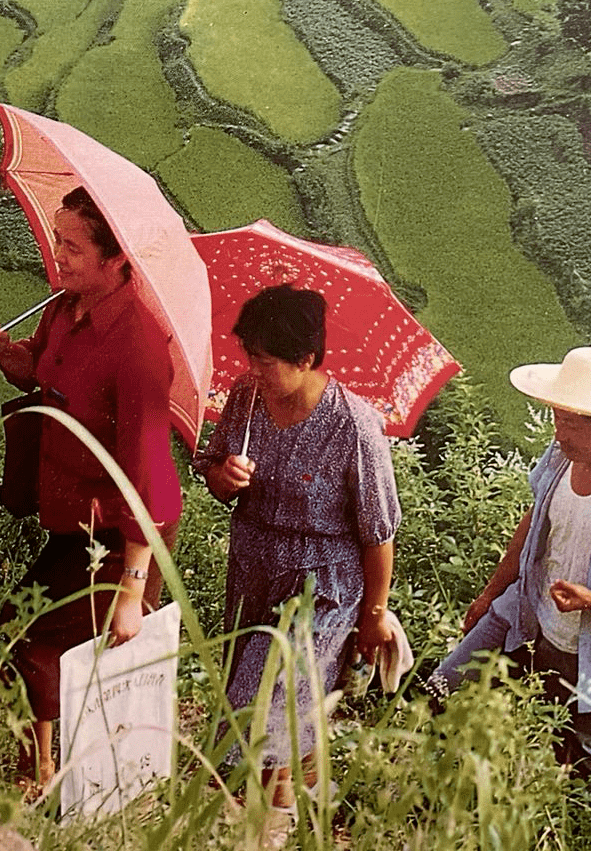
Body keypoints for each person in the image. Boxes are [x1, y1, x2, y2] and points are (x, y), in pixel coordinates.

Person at [0, 185, 181, 790]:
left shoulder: (138, 348)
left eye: (73, 246)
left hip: (122, 530)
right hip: (74, 516)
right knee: (25, 626)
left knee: (33, 634)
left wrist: (133, 589)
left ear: (117, 260)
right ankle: (39, 767)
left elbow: (146, 471)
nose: (58, 255)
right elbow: (41, 371)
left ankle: (49, 776)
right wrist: (6, 353)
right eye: (58, 238)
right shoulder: (65, 308)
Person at [433, 346, 591, 776]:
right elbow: (533, 521)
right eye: (558, 418)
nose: (560, 433)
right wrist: (489, 594)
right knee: (443, 686)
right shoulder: (560, 457)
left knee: (583, 759)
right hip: (525, 611)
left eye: (571, 424)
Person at [195, 284, 401, 810]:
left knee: (264, 704)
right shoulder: (247, 398)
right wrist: (226, 476)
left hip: (320, 586)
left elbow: (378, 533)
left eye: (264, 361)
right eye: (249, 358)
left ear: (305, 358)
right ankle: (288, 798)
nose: (252, 371)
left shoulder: (354, 427)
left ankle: (267, 819)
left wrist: (374, 614)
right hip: (254, 573)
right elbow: (211, 473)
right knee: (266, 700)